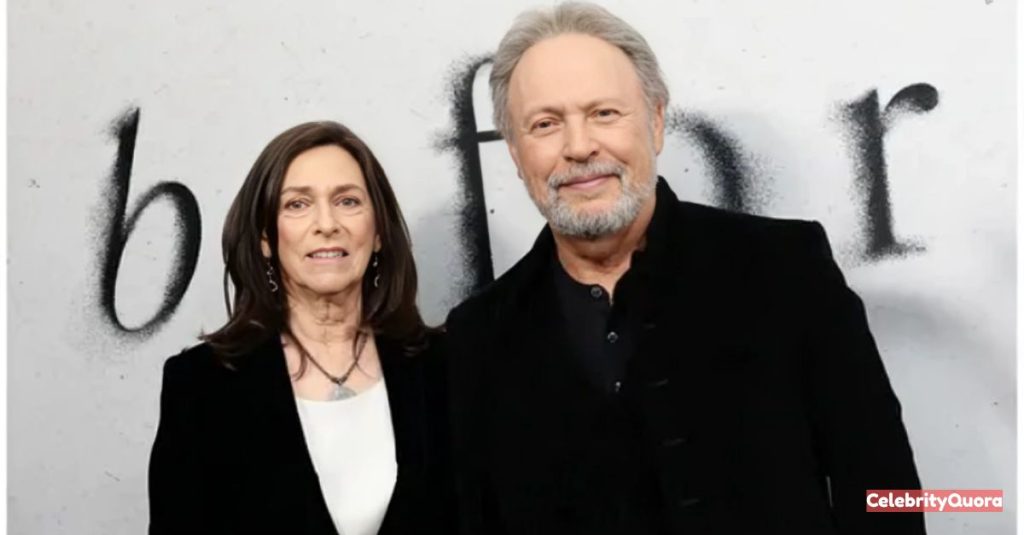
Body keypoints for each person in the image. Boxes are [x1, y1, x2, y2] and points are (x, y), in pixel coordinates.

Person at [444, 3, 925, 534]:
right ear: (515, 151)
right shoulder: (477, 338)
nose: (579, 147)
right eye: (545, 124)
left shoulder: (785, 269)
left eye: (604, 113)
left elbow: (884, 487)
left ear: (654, 121)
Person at [148, 121, 452, 534]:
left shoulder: (445, 368)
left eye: (347, 201)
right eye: (297, 205)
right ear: (265, 239)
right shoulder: (202, 387)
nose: (326, 223)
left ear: (378, 232)